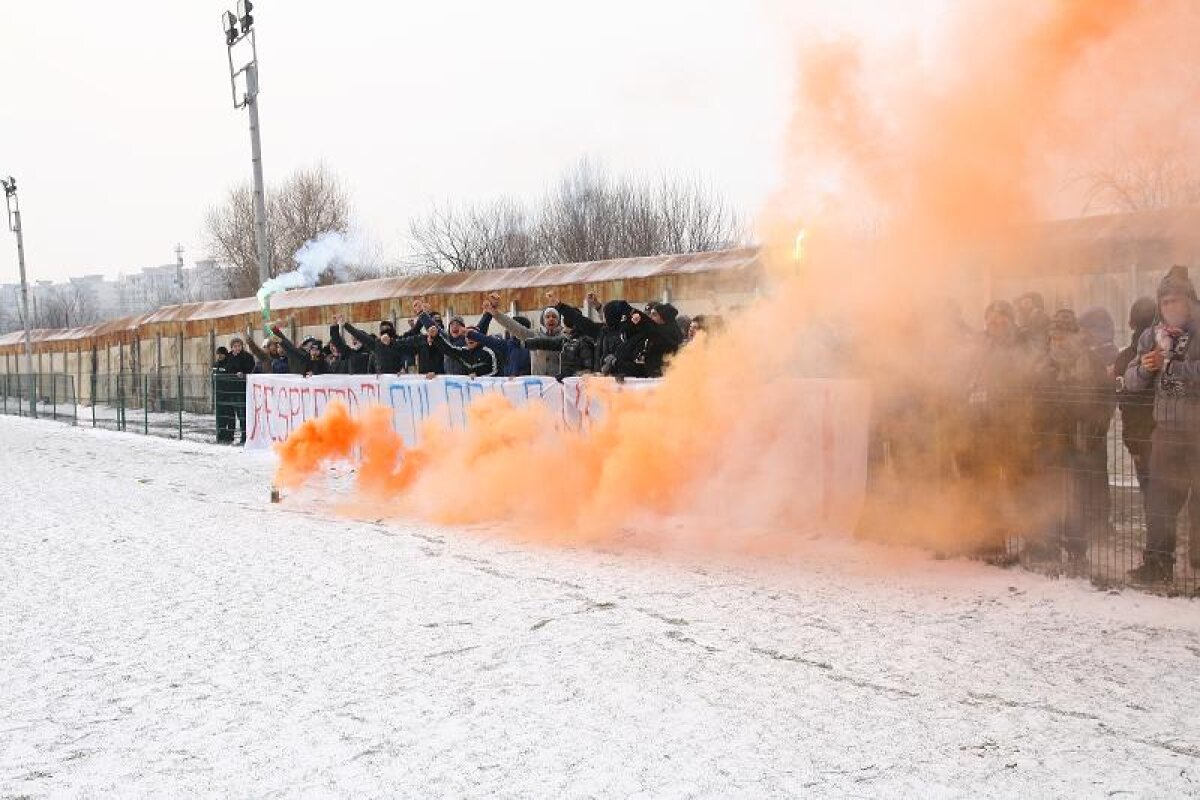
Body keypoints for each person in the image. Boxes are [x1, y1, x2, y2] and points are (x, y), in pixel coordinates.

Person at [1123, 266, 1200, 582]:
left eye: (1176, 301)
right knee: (1159, 504)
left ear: (1190, 301)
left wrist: (1174, 369)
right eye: (1165, 302)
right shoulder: (1150, 336)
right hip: (1166, 433)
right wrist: (1144, 368)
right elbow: (1129, 382)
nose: (1171, 308)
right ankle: (1157, 565)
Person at [959, 299, 1036, 561]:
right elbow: (968, 375)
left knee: (1020, 486)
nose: (996, 324)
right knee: (986, 485)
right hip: (982, 427)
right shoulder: (980, 345)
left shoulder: (1021, 343)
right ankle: (991, 541)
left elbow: (1027, 378)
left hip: (1013, 426)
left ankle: (1035, 544)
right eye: (991, 320)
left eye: (1001, 319)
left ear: (1011, 320)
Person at [1113, 297, 1158, 504]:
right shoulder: (1170, 355)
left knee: (1153, 503)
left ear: (1130, 323)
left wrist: (1134, 446)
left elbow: (1127, 407)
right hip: (1171, 440)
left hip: (1142, 442)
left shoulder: (1124, 359)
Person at [487, 293, 564, 377]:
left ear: (559, 320)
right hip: (538, 384)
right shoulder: (534, 335)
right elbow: (513, 326)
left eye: (554, 317)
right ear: (543, 320)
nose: (551, 319)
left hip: (558, 383)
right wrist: (495, 313)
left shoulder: (564, 337)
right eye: (547, 317)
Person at [552, 292, 630, 369]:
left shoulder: (623, 334)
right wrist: (560, 306)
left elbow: (578, 319)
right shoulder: (602, 330)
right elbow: (578, 319)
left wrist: (560, 306)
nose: (603, 317)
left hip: (617, 378)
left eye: (605, 313)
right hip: (601, 377)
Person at [418, 311, 499, 377]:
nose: (454, 327)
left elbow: (481, 327)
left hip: (470, 384)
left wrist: (488, 312)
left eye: (458, 325)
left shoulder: (474, 345)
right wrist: (421, 313)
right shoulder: (448, 342)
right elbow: (436, 331)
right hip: (453, 384)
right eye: (452, 325)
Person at [523, 319, 595, 380]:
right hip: (567, 381)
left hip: (578, 382)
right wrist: (529, 343)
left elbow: (587, 368)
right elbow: (549, 343)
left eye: (566, 326)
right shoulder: (566, 341)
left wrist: (572, 376)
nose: (564, 329)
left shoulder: (584, 342)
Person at [341, 316, 414, 375]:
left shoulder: (399, 343)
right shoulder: (376, 345)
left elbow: (409, 357)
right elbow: (360, 336)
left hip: (397, 381)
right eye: (383, 330)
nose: (385, 334)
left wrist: (404, 370)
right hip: (381, 383)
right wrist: (345, 325)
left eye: (387, 330)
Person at [224, 337, 256, 444]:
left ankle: (244, 437)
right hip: (229, 390)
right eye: (235, 346)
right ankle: (229, 436)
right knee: (229, 415)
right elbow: (225, 369)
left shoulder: (247, 357)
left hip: (241, 390)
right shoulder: (227, 357)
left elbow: (251, 369)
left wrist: (242, 374)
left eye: (239, 346)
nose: (237, 348)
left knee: (242, 415)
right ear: (231, 347)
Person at [211, 347, 235, 444]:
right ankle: (221, 434)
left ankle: (230, 435)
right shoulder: (215, 365)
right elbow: (212, 378)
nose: (219, 356)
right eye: (218, 354)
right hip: (219, 394)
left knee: (230, 415)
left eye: (221, 354)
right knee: (220, 416)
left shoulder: (229, 364)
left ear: (225, 354)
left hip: (228, 394)